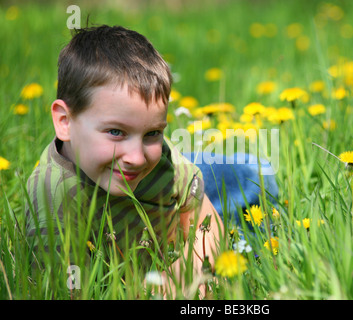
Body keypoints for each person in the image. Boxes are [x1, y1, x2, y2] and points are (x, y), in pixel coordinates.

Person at [24, 25, 224, 297]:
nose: (137, 157)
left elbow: (210, 226)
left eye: (152, 133)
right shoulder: (53, 195)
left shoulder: (159, 159)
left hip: (190, 188)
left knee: (252, 180)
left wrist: (188, 272)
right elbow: (64, 289)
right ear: (65, 121)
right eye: (116, 132)